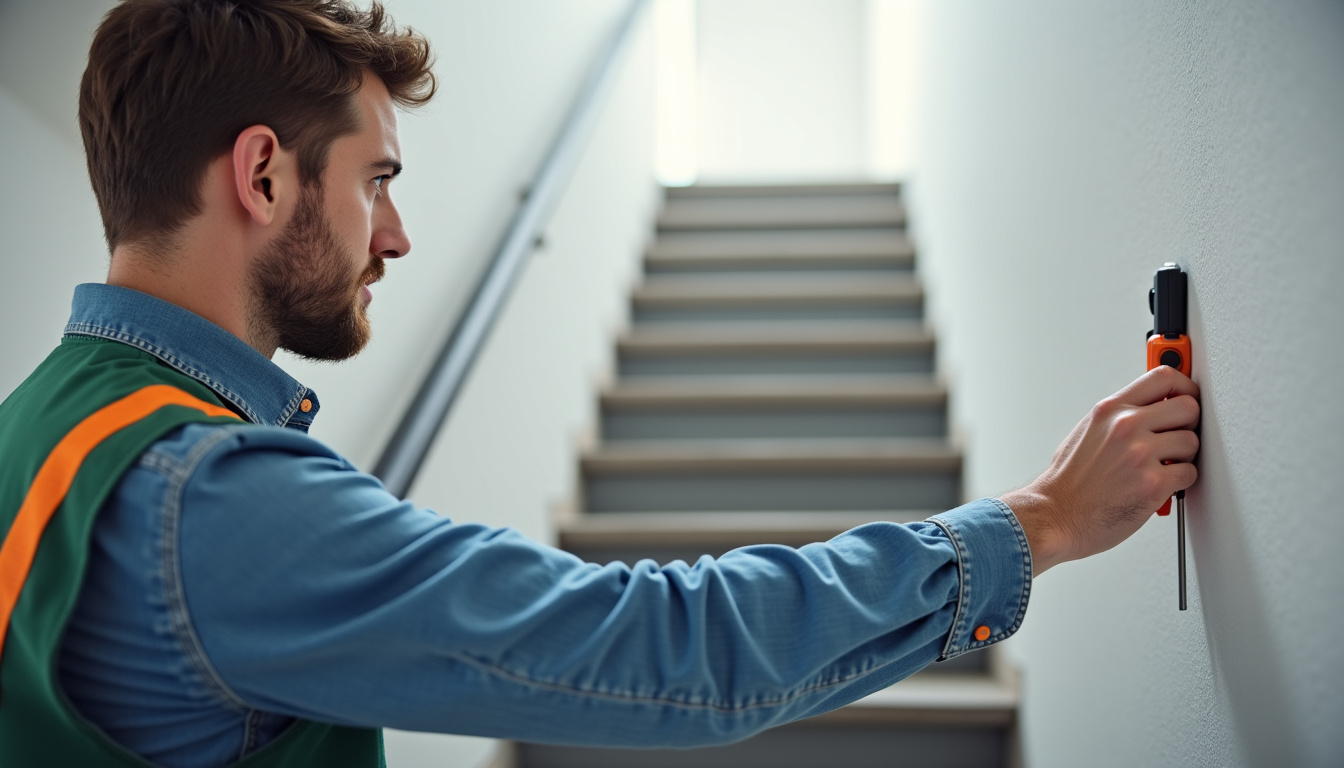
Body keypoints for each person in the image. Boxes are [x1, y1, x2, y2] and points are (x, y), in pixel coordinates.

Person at [0, 1, 1201, 766]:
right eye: (378, 179)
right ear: (263, 175)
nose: (399, 235)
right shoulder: (204, 503)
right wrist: (1032, 526)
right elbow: (658, 650)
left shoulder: (38, 432)